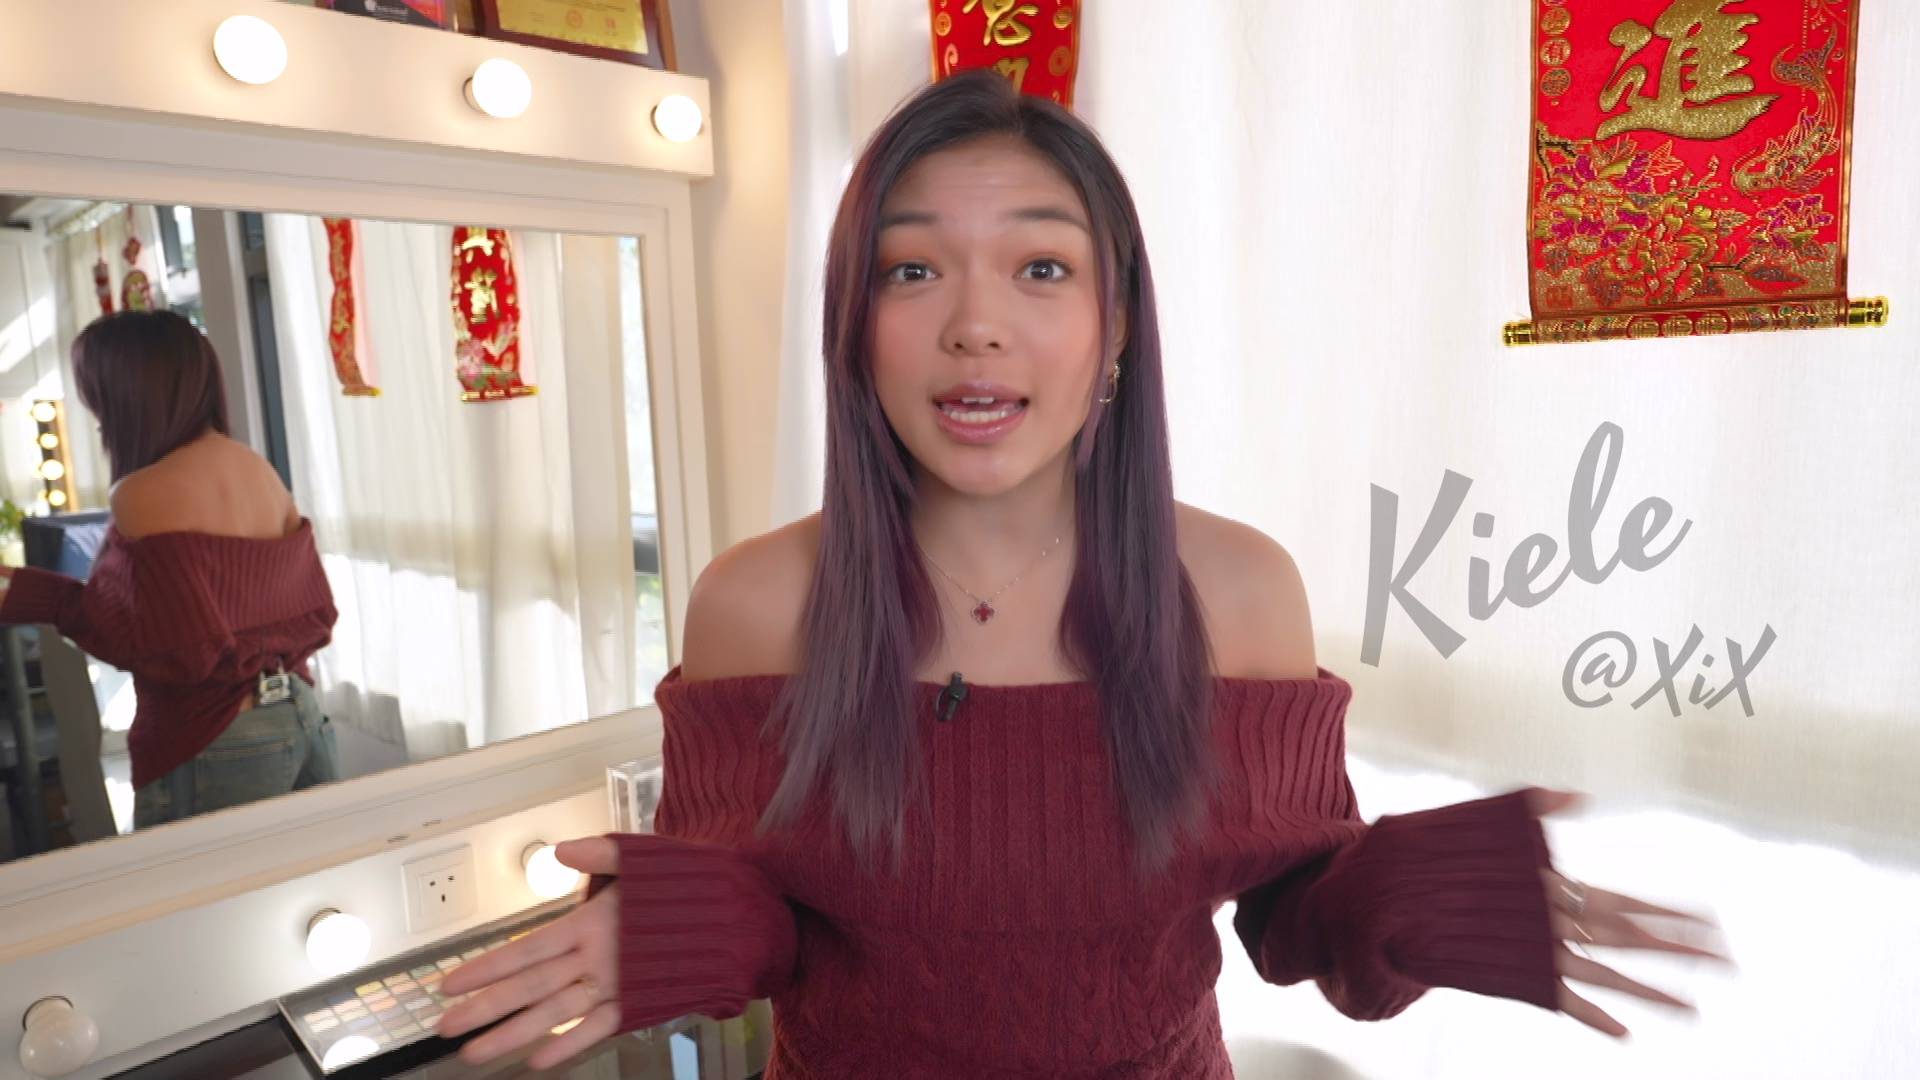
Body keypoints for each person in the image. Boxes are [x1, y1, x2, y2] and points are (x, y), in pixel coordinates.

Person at [435, 71, 1729, 1076]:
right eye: (912, 270)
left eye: (1041, 268)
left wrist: (1407, 890)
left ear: (1116, 328)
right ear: (855, 328)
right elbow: (766, 909)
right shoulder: (757, 602)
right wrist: (679, 922)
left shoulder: (1239, 591)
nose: (975, 325)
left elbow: (1293, 916)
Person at [0, 310, 338, 829]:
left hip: (213, 734)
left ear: (128, 394)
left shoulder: (142, 493)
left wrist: (33, 597)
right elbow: (310, 613)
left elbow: (154, 646)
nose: (95, 415)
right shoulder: (258, 470)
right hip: (300, 714)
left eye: (96, 396)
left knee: (194, 885)